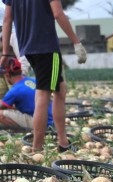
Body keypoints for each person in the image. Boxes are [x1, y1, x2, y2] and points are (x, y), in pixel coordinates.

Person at [1, 0, 87, 152]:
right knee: (43, 93)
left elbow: (7, 19)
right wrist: (76, 42)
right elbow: (58, 13)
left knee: (60, 90)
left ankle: (63, 141)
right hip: (46, 47)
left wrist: (6, 52)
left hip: (27, 48)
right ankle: (37, 148)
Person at [0, 57, 52, 130]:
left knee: (1, 114)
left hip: (41, 123)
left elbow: (2, 106)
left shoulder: (14, 90)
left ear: (7, 75)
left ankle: (22, 131)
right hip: (52, 119)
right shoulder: (33, 80)